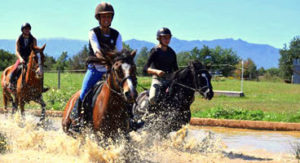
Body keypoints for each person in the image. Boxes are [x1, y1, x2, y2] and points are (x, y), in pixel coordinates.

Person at [74, 2, 123, 128]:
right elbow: (97, 51)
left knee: (127, 91)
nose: (106, 19)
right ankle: (76, 119)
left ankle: (131, 120)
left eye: (108, 16)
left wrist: (114, 66)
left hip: (111, 72)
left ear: (111, 18)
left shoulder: (117, 34)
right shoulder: (93, 33)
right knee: (84, 92)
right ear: (99, 18)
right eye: (104, 16)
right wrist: (106, 63)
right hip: (95, 69)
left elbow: (119, 54)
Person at [143, 27, 179, 105]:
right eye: (165, 37)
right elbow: (145, 68)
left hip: (170, 80)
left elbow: (176, 70)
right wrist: (156, 71)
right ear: (159, 38)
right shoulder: (155, 51)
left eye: (169, 37)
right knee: (152, 98)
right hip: (158, 80)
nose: (167, 40)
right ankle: (147, 113)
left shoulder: (172, 53)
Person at [9, 23, 37, 90]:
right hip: (22, 58)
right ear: (22, 30)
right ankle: (11, 83)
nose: (27, 30)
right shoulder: (19, 39)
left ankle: (40, 88)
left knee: (39, 71)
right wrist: (21, 59)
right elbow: (17, 51)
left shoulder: (33, 39)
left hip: (30, 59)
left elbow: (35, 50)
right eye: (25, 29)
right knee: (15, 69)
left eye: (28, 29)